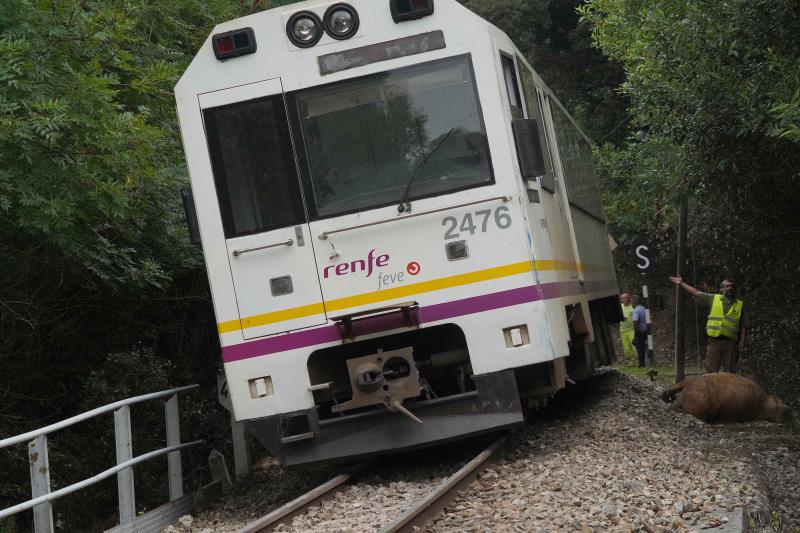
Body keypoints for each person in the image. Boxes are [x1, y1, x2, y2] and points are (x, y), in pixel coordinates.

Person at [669, 276, 747, 373]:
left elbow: (743, 324)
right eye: (726, 286)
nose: (729, 288)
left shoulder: (739, 305)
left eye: (731, 286)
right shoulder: (713, 298)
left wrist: (742, 340)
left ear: (734, 289)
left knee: (730, 371)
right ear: (721, 288)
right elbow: (696, 293)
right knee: (711, 370)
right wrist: (681, 283)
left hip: (731, 342)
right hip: (714, 341)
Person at [631, 295, 648, 368]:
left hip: (640, 331)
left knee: (639, 347)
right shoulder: (643, 308)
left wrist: (635, 334)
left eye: (632, 301)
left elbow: (635, 322)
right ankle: (644, 361)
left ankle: (641, 364)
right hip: (646, 331)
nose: (631, 303)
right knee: (643, 347)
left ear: (635, 302)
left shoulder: (636, 310)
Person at [619, 292, 635, 362]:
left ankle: (637, 360)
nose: (623, 299)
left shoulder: (632, 307)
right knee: (626, 348)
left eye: (624, 298)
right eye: (622, 298)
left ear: (628, 298)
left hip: (632, 330)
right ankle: (630, 362)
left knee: (634, 346)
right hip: (622, 330)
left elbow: (636, 318)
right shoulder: (620, 307)